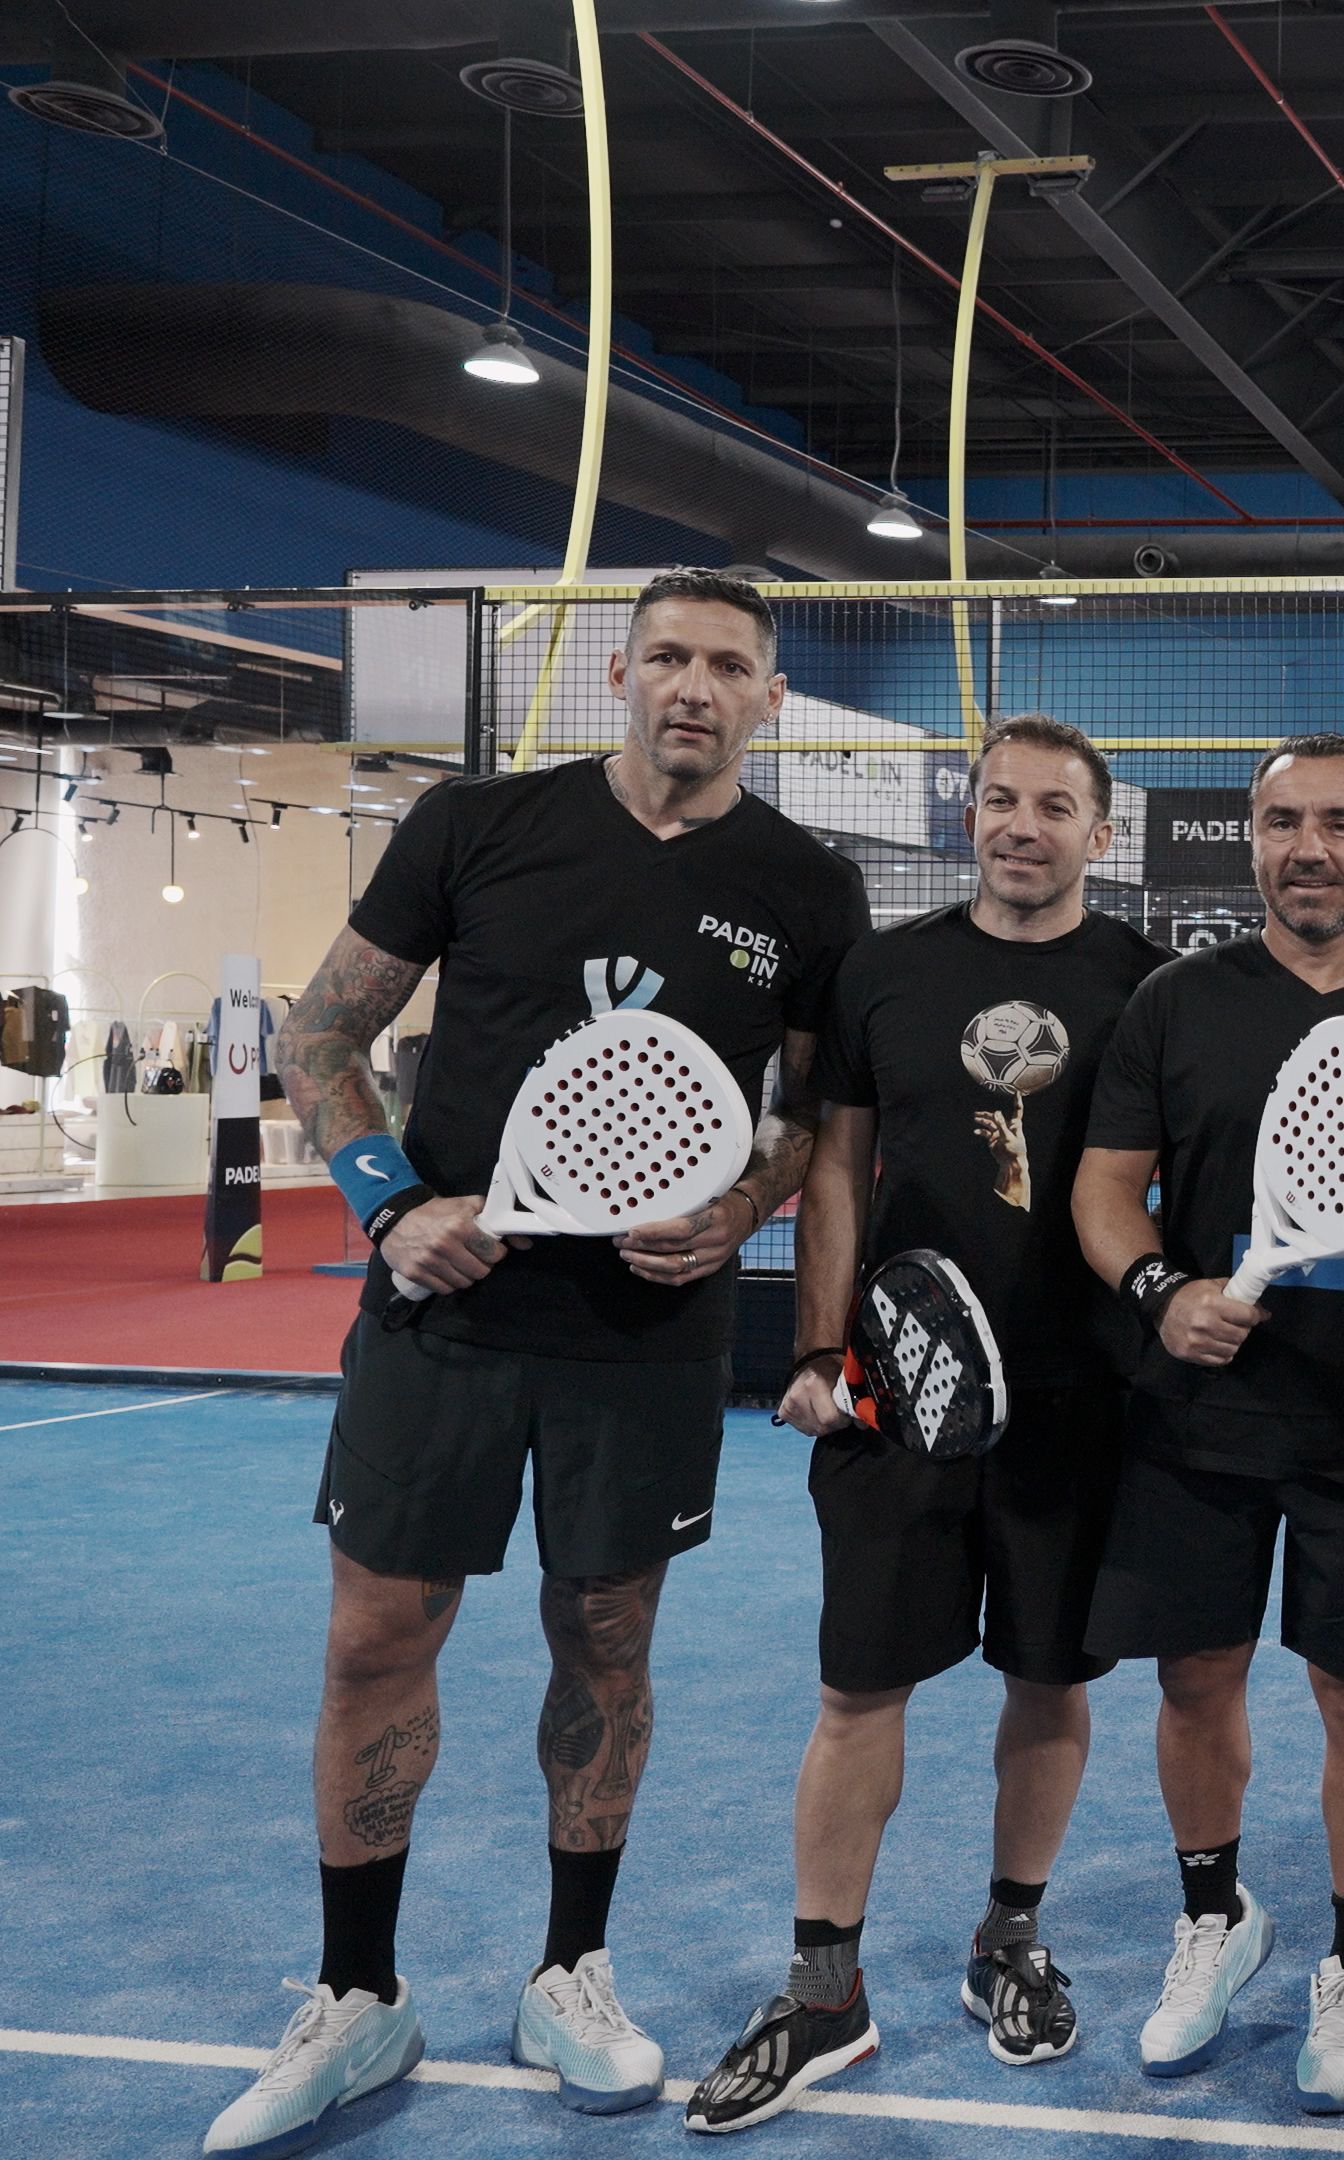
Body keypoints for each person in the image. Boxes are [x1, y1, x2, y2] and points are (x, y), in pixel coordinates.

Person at [220, 570, 868, 2153]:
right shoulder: (475, 824)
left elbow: (808, 1118)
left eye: (728, 664)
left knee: (607, 1646)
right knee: (378, 1636)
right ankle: (360, 1995)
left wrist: (738, 1207)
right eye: (666, 658)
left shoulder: (805, 883)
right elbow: (320, 1038)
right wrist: (389, 1208)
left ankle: (570, 1970)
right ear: (620, 678)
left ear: (771, 696)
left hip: (644, 1341)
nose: (694, 687)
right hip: (444, 1314)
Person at [681, 715, 1168, 2132]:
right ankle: (824, 1990)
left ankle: (1009, 1942)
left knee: (1049, 1682)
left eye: (1056, 806)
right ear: (971, 817)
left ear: (1101, 828)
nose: (1024, 826)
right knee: (856, 1695)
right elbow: (832, 1172)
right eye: (1001, 801)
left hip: (1079, 1405)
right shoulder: (883, 973)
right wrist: (825, 1350)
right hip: (897, 1402)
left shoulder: (1147, 987)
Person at [1068, 735, 1344, 2114]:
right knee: (1195, 1677)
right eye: (1284, 821)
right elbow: (1106, 1186)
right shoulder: (1175, 1003)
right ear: (1250, 839)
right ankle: (1213, 1919)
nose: (1311, 847)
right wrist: (1159, 1289)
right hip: (1196, 1407)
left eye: (1342, 824)